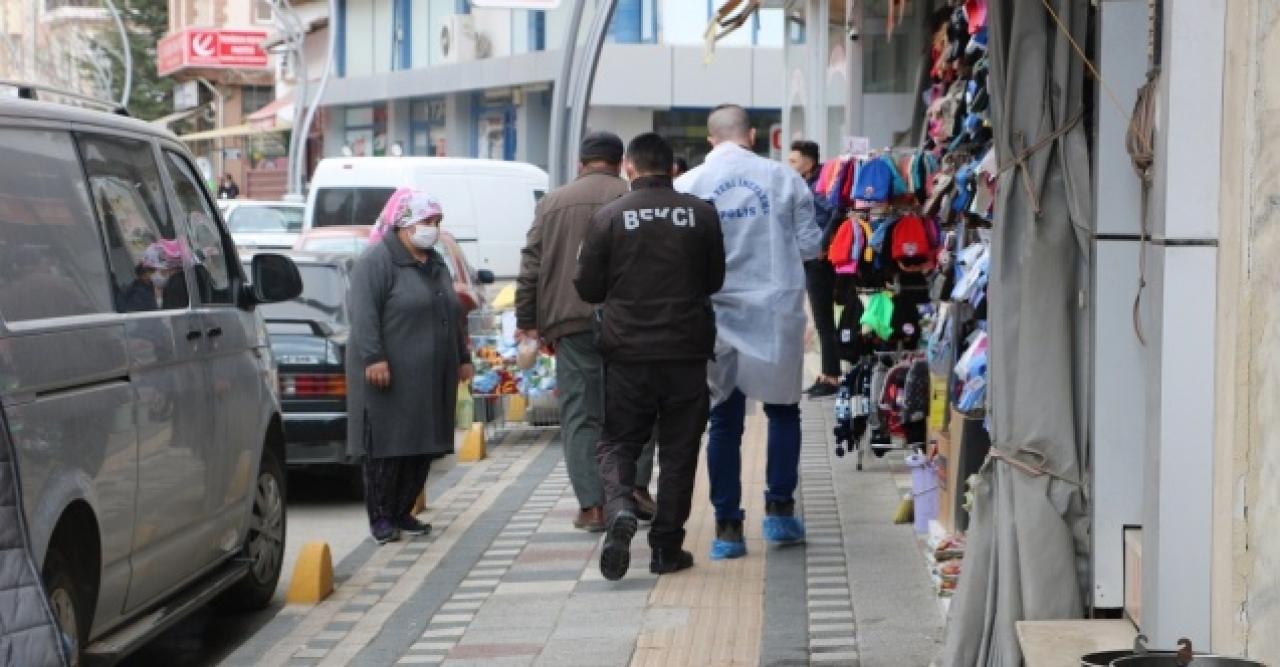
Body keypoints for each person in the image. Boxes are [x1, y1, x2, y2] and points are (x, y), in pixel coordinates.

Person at [675, 105, 823, 560]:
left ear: (710, 140)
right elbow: (811, 246)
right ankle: (779, 512)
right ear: (753, 135)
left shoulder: (689, 185)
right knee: (782, 412)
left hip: (715, 314)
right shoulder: (785, 179)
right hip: (774, 310)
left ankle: (727, 529)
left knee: (723, 422)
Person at [575, 133, 725, 580]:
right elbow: (714, 279)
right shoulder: (702, 215)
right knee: (679, 453)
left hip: (627, 355)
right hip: (686, 353)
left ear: (630, 168)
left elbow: (588, 288)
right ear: (671, 169)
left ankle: (620, 507)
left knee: (618, 441)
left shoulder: (608, 217)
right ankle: (665, 550)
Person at [517, 132, 657, 532]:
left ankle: (593, 506)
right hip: (631, 323)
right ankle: (632, 491)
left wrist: (529, 320)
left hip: (571, 322)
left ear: (581, 162)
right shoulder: (635, 199)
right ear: (622, 162)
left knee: (581, 413)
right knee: (639, 408)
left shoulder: (551, 203)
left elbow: (531, 266)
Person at [347, 188, 474, 544]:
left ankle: (403, 510)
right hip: (390, 374)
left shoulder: (434, 263)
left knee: (424, 444)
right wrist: (373, 357)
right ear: (403, 224)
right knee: (387, 448)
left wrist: (463, 357)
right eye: (425, 222)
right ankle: (382, 517)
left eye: (436, 222)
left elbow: (454, 312)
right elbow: (364, 315)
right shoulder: (376, 262)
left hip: (433, 375)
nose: (431, 229)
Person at [788, 139, 841, 397]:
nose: (790, 165)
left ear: (808, 162)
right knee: (821, 320)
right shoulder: (810, 183)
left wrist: (822, 244)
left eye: (794, 160)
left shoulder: (821, 185)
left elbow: (835, 212)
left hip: (820, 260)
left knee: (823, 319)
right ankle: (827, 372)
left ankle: (831, 376)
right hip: (812, 258)